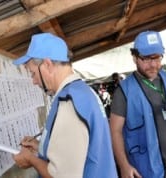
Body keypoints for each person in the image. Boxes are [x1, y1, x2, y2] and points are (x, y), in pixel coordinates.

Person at [12, 33, 118, 178]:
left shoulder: (69, 102)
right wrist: (41, 146)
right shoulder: (83, 92)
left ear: (48, 65)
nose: (34, 81)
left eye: (33, 74)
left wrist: (31, 159)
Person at [109, 31, 166, 178]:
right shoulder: (124, 91)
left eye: (157, 58)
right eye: (146, 59)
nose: (153, 65)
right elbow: (115, 131)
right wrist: (124, 165)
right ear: (134, 58)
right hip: (145, 168)